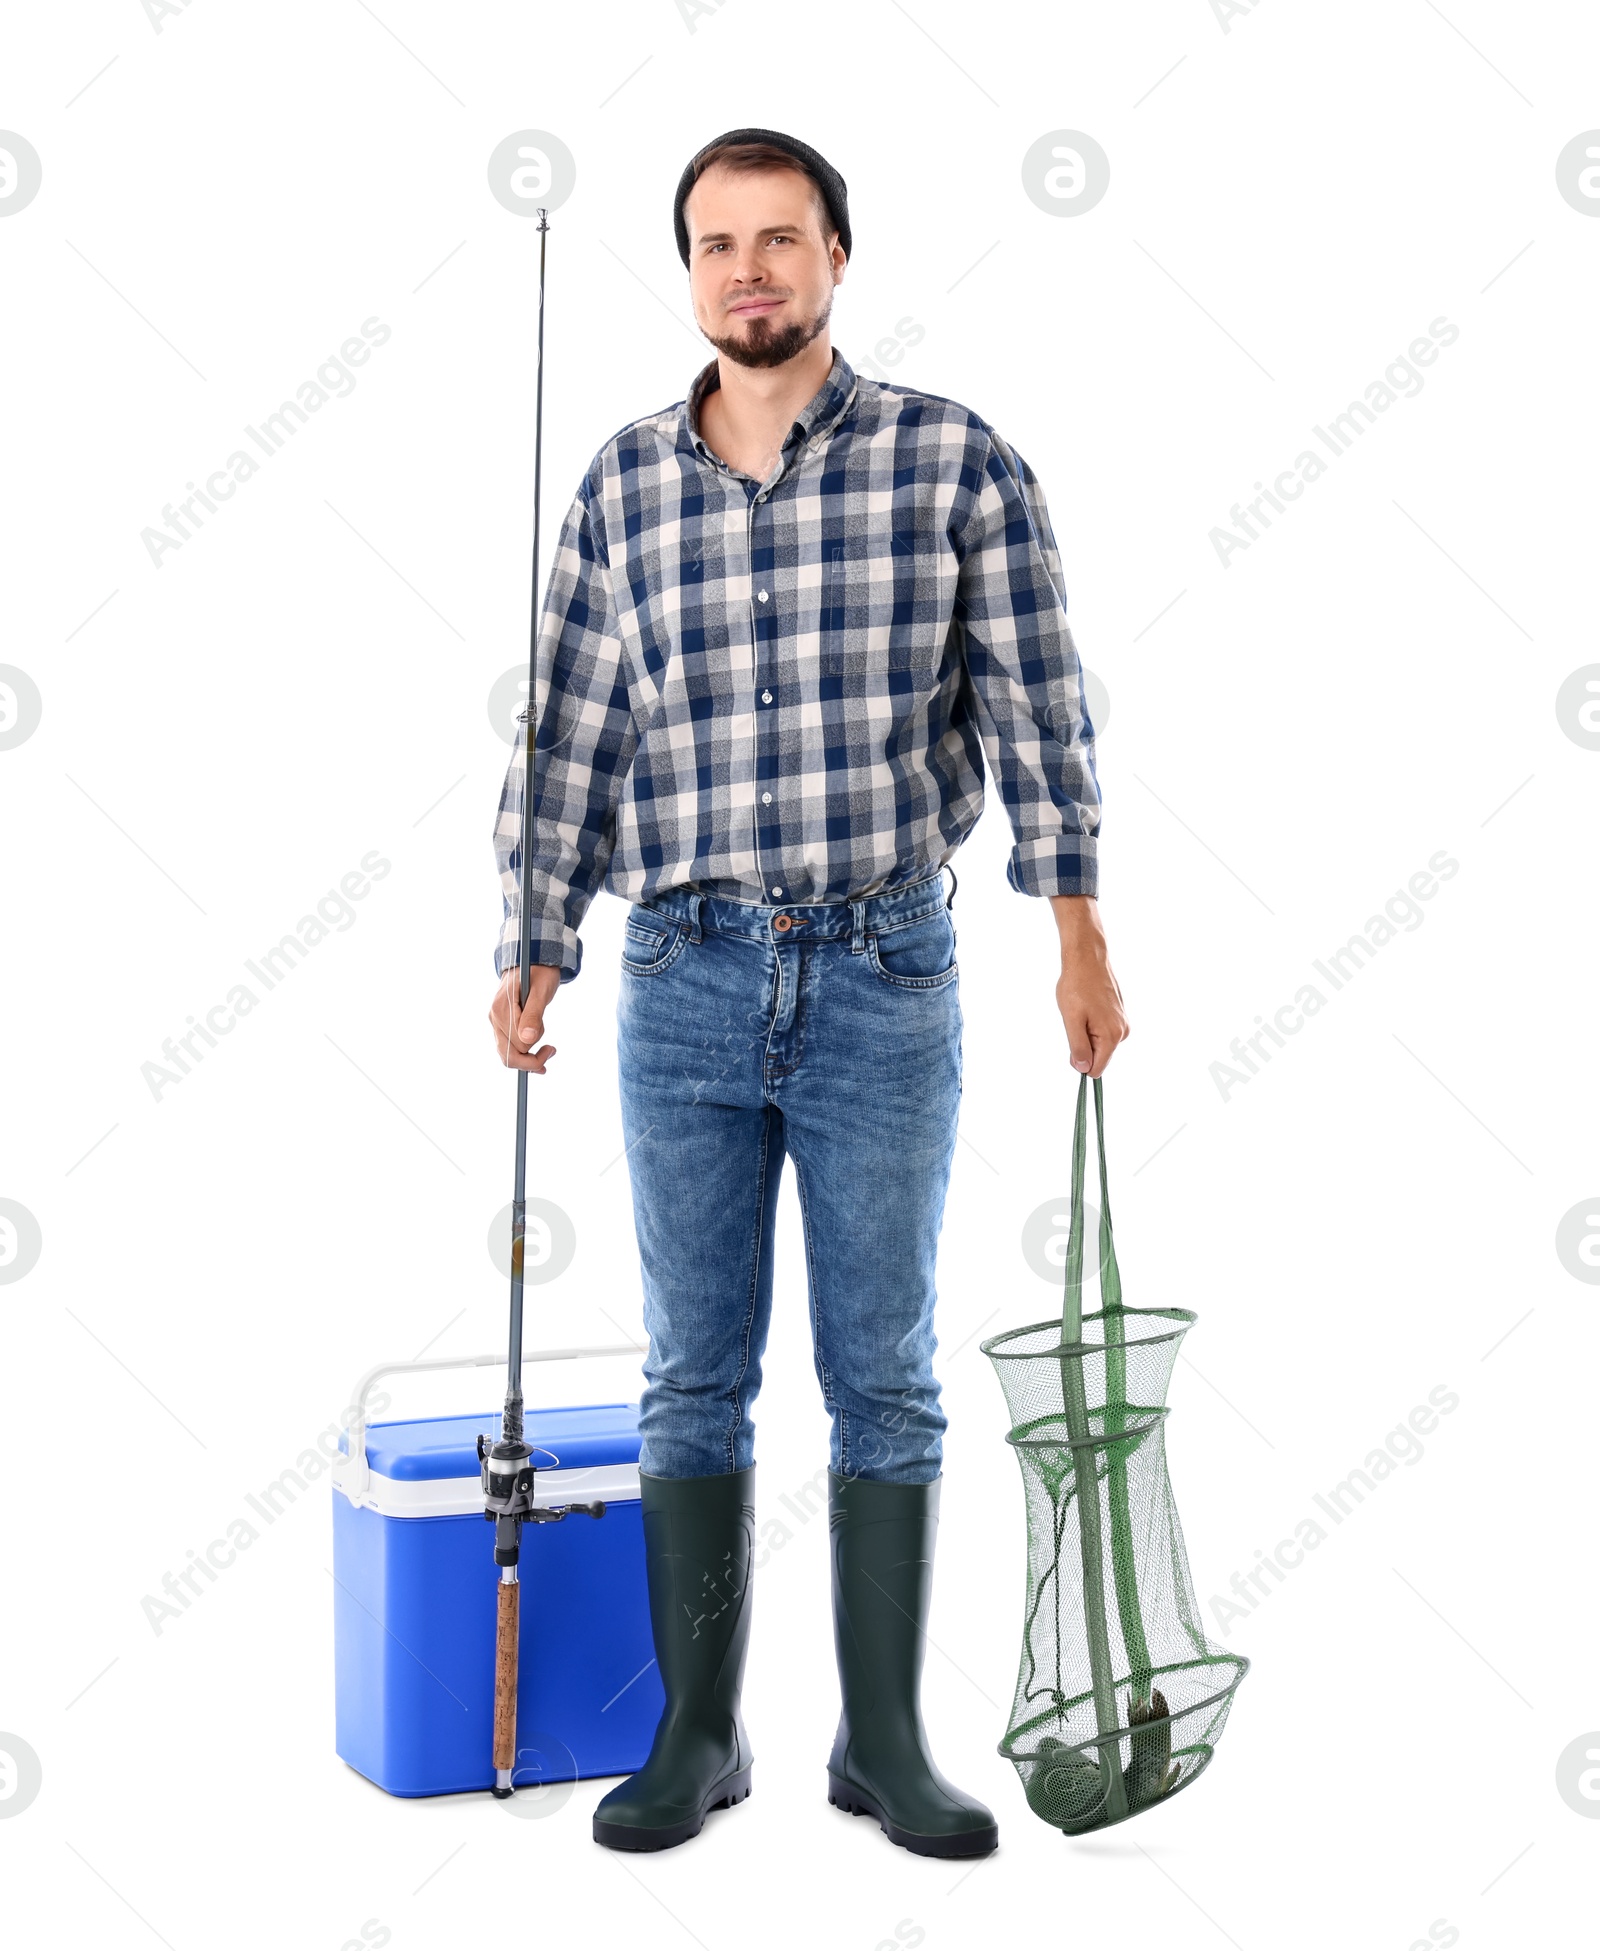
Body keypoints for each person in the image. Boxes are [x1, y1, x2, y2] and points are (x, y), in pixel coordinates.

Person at [488, 127, 1129, 1857]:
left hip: (883, 970)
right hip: (683, 975)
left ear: (839, 256)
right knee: (696, 1374)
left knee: (885, 1373)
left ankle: (886, 1743)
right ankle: (697, 1733)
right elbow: (570, 733)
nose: (750, 270)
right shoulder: (622, 487)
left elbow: (1039, 704)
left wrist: (1074, 922)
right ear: (688, 271)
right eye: (718, 245)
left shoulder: (953, 463)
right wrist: (530, 934)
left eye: (782, 239)